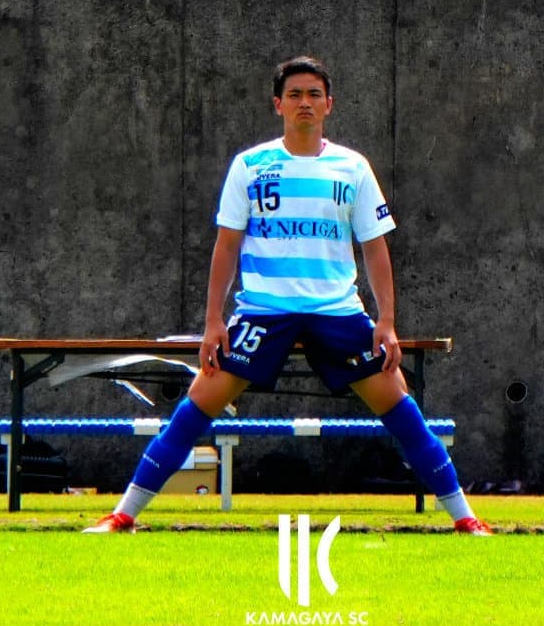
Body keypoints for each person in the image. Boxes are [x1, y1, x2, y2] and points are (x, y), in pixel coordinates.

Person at [85, 56, 490, 535]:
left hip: (337, 312)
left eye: (314, 94)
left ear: (329, 105)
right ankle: (123, 515)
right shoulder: (250, 166)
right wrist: (214, 321)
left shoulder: (353, 167)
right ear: (278, 104)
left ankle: (465, 518)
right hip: (265, 310)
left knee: (400, 406)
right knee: (198, 403)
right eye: (294, 94)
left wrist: (386, 321)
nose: (305, 103)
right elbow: (227, 245)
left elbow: (375, 247)